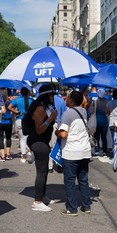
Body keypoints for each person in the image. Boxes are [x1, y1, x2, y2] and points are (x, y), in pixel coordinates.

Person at [55, 90, 92, 216]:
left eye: (68, 97)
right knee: (83, 180)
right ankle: (86, 206)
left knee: (70, 181)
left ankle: (72, 208)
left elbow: (64, 134)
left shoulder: (67, 114)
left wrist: (57, 132)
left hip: (71, 152)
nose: (66, 99)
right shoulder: (83, 111)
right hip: (85, 151)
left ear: (71, 100)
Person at [27, 84, 58, 212]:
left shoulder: (45, 107)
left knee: (44, 171)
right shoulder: (39, 108)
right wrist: (50, 119)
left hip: (42, 141)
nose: (53, 97)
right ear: (46, 96)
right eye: (51, 95)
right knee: (41, 171)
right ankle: (37, 201)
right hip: (38, 141)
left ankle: (42, 196)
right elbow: (39, 130)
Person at [8, 87, 33, 163]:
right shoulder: (32, 100)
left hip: (20, 119)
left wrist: (16, 111)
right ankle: (32, 155)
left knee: (22, 138)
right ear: (28, 93)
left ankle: (23, 156)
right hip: (29, 120)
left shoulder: (17, 100)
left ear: (20, 93)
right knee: (30, 138)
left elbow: (9, 107)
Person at [48, 91, 67, 173]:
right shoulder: (61, 101)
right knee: (58, 144)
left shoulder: (47, 101)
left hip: (48, 124)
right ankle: (58, 163)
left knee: (50, 145)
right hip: (58, 124)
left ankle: (50, 166)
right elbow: (64, 114)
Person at [90, 88, 109, 156]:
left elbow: (91, 111)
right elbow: (107, 112)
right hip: (104, 121)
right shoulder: (107, 102)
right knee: (104, 137)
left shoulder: (95, 102)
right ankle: (105, 150)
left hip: (96, 121)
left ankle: (97, 149)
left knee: (96, 136)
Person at [0, 88, 13, 161]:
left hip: (0, 122)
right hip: (8, 121)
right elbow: (12, 111)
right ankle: (8, 154)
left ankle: (2, 156)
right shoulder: (9, 102)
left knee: (0, 138)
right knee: (8, 137)